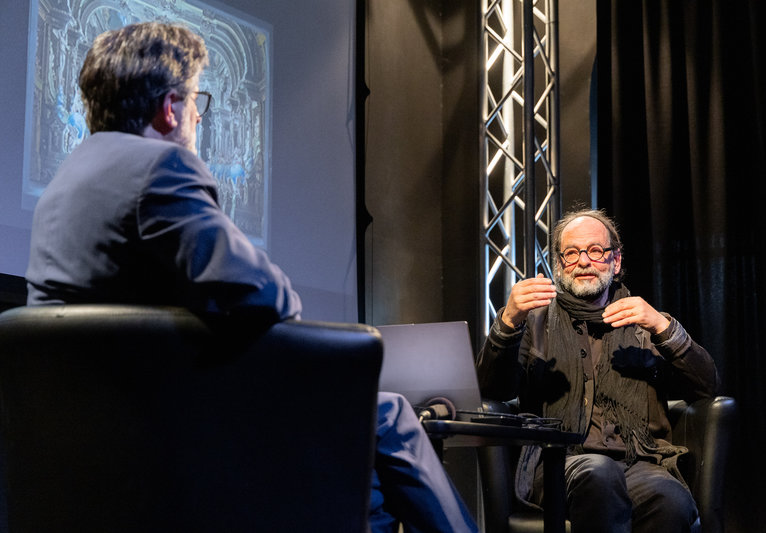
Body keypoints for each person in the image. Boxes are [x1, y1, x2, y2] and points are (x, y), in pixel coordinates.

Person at [25, 21, 476, 533]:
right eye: (196, 100)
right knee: (387, 417)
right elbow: (270, 296)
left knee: (365, 486)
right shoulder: (161, 168)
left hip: (91, 435)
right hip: (167, 431)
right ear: (170, 108)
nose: (198, 115)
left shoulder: (66, 179)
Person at [476, 208, 719, 533]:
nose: (583, 261)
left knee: (669, 498)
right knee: (599, 473)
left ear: (615, 261)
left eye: (595, 251)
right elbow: (492, 391)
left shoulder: (643, 322)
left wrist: (664, 327)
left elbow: (706, 387)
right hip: (559, 463)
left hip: (638, 462)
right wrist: (508, 322)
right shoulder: (535, 321)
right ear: (559, 264)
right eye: (572, 253)